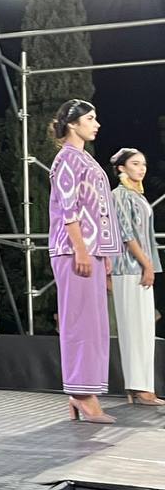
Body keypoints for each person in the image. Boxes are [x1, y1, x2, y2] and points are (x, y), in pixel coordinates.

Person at [48, 99, 120, 424]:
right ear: (73, 123)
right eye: (90, 118)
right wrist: (80, 249)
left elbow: (99, 209)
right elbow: (69, 207)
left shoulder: (85, 158)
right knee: (79, 323)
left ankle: (84, 393)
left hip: (91, 250)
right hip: (73, 250)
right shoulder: (66, 159)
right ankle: (80, 394)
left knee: (94, 325)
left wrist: (103, 253)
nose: (96, 124)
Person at [108, 147, 163, 405]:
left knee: (144, 327)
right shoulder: (119, 195)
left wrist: (149, 265)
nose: (141, 169)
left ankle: (143, 387)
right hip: (129, 269)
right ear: (121, 168)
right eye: (135, 164)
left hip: (141, 268)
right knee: (133, 328)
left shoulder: (137, 195)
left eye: (143, 164)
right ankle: (138, 387)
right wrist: (147, 265)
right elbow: (127, 234)